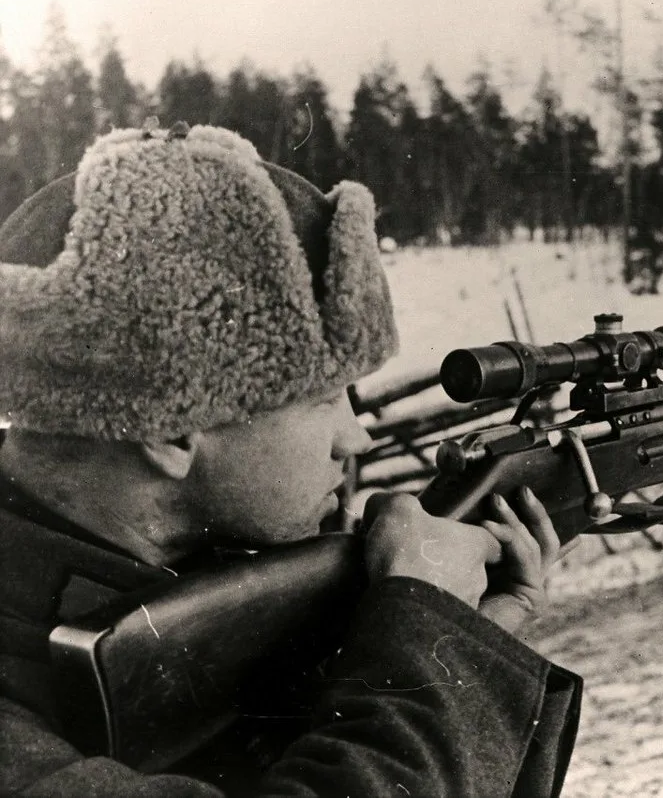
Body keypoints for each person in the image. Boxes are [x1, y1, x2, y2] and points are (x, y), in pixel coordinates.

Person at [0, 123, 581, 796]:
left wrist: (464, 652)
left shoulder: (186, 591)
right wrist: (425, 652)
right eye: (322, 399)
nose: (355, 437)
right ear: (173, 433)